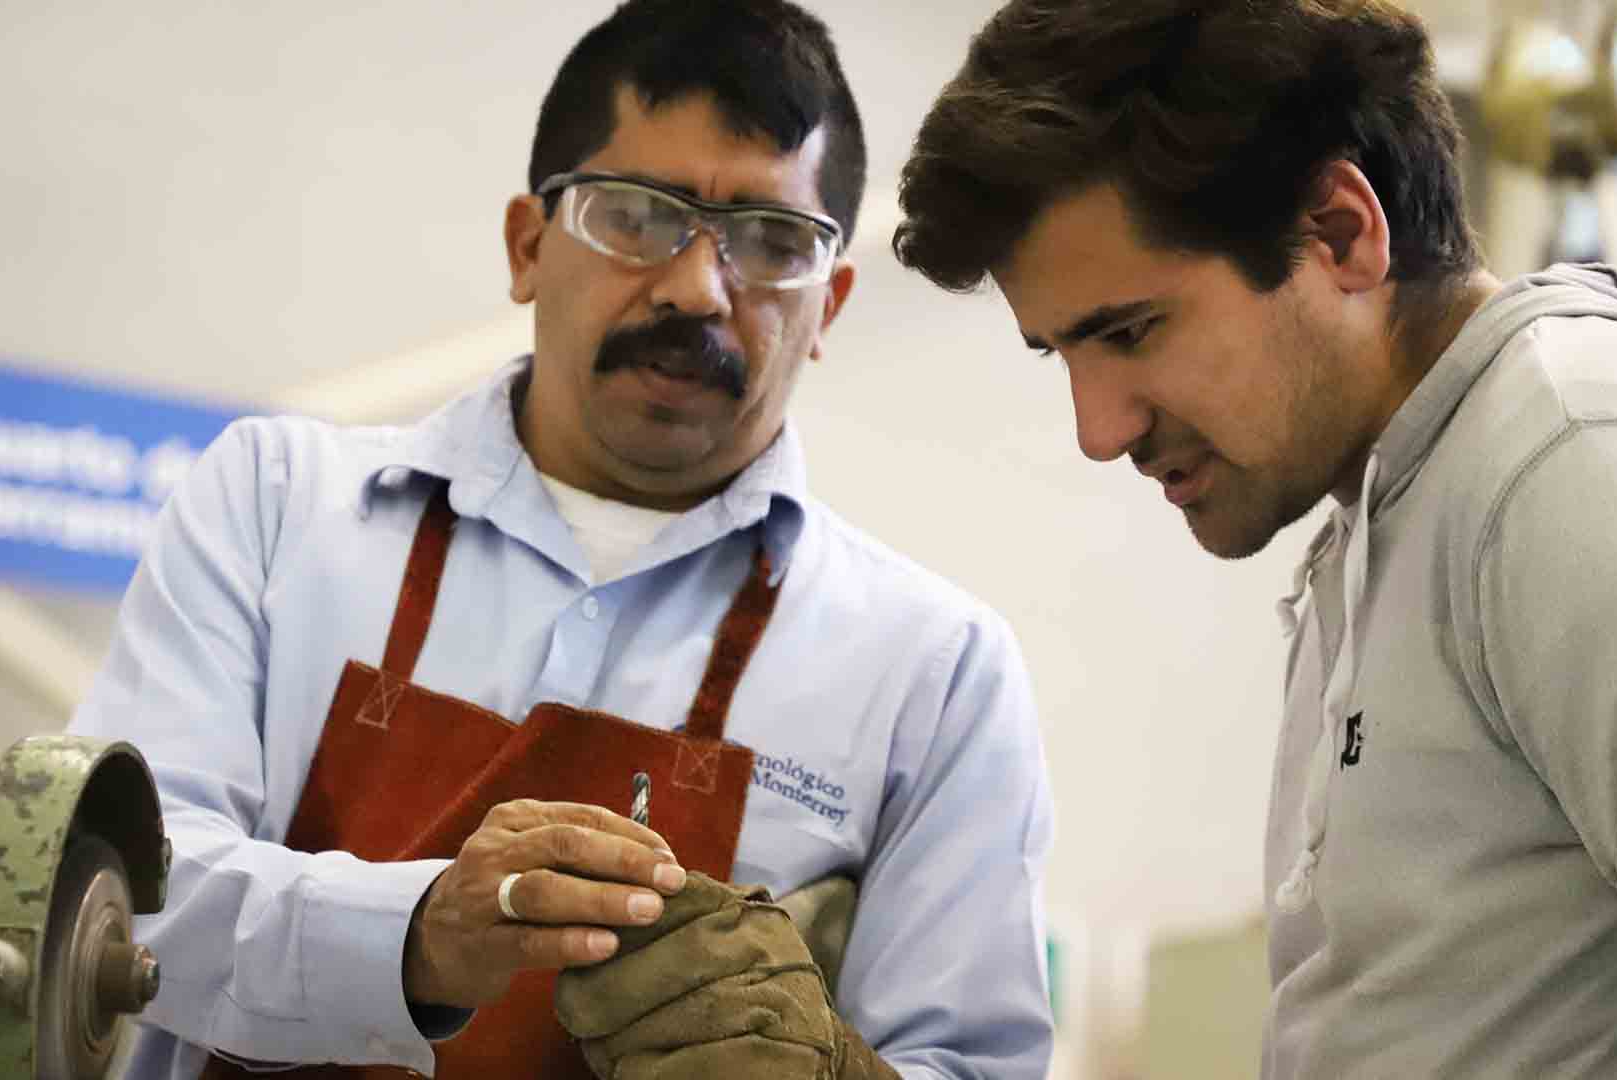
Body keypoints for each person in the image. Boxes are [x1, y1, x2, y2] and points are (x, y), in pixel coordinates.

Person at [70, 2, 1055, 1078]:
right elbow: (121, 907)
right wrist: (418, 935)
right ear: (529, 245)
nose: (695, 287)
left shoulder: (937, 674)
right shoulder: (272, 504)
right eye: (638, 216)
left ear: (830, 308)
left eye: (772, 243)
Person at [893, 0, 1617, 1075]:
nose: (1097, 429)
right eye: (1058, 356)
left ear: (1340, 233)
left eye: (1129, 332)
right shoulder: (1399, 499)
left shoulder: (1572, 458)